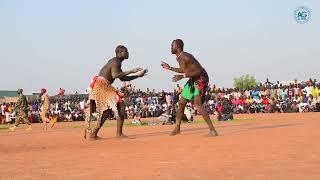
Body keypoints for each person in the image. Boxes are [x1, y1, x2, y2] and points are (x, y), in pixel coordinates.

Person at [85, 45, 148, 139]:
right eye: (125, 51)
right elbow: (115, 75)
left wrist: (138, 75)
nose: (128, 53)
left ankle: (94, 134)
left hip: (102, 85)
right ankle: (118, 134)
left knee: (107, 112)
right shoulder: (116, 61)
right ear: (119, 53)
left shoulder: (116, 62)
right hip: (102, 85)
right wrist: (131, 71)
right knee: (120, 105)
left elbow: (122, 78)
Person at [161, 39, 218, 136]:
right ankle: (177, 128)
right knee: (182, 102)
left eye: (172, 46)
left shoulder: (186, 56)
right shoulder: (179, 57)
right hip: (193, 78)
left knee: (198, 104)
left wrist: (183, 76)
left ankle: (212, 130)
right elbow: (184, 70)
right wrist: (170, 68)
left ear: (178, 47)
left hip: (201, 78)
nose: (170, 48)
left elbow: (199, 71)